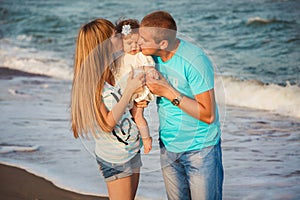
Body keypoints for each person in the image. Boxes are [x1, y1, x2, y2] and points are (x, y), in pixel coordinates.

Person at [138, 11, 224, 200]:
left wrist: (167, 92)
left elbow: (208, 114)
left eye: (143, 39)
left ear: (163, 44)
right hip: (168, 147)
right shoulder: (150, 57)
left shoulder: (194, 61)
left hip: (200, 150)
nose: (138, 42)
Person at [70, 18, 146, 200]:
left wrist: (138, 103)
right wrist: (129, 90)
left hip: (131, 149)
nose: (119, 36)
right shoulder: (90, 83)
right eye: (114, 35)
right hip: (115, 157)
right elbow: (107, 124)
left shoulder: (113, 69)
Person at [114, 18, 156, 154]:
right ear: (121, 43)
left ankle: (147, 138)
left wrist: (148, 70)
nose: (133, 47)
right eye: (129, 43)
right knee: (124, 116)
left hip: (138, 91)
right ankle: (126, 138)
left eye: (136, 43)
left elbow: (150, 67)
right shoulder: (119, 57)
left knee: (137, 115)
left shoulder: (141, 55)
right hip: (124, 92)